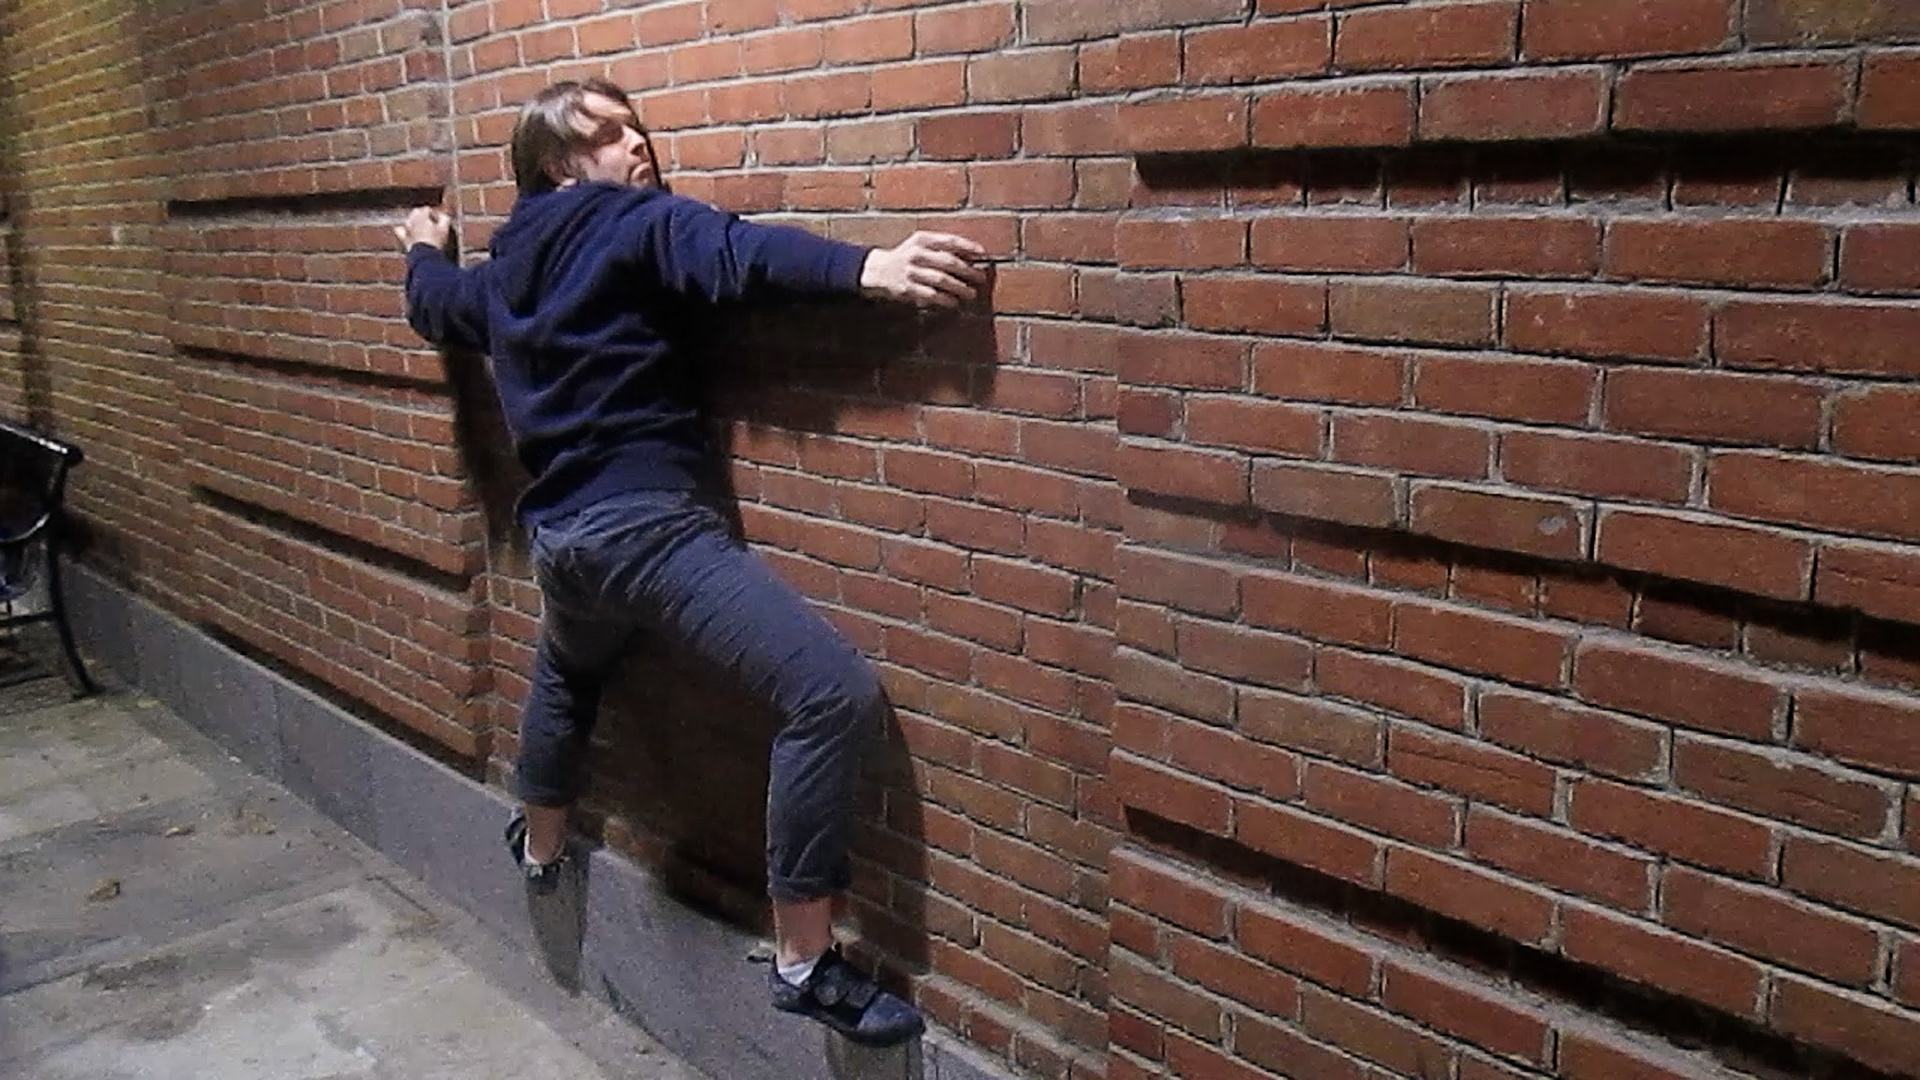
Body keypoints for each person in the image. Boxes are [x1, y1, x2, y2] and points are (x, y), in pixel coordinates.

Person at [392, 77, 987, 1048]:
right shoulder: (630, 221)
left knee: (569, 672)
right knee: (829, 692)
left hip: (563, 545)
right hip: (647, 532)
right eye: (610, 133)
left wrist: (424, 247)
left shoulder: (502, 272)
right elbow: (734, 251)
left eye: (638, 128)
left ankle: (540, 848)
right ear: (559, 165)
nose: (639, 144)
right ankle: (804, 961)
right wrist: (871, 267)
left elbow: (438, 306)